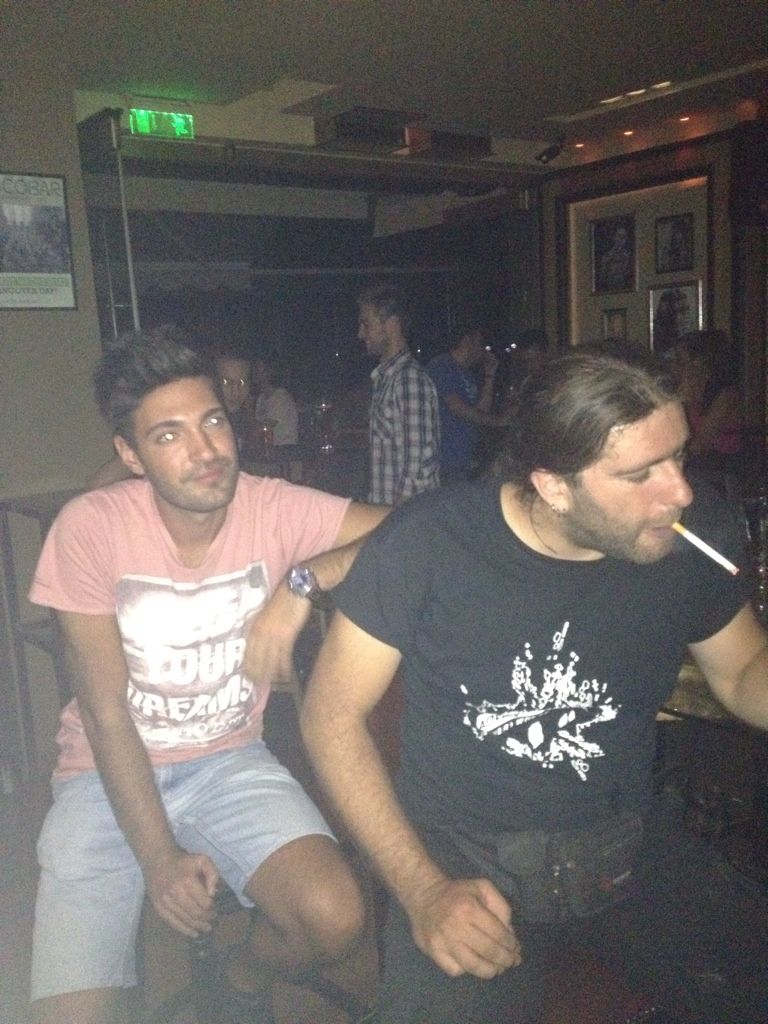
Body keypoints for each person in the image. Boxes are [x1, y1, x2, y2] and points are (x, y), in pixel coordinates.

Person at [301, 343, 768, 1024]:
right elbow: (330, 716)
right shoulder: (430, 543)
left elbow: (743, 670)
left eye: (679, 456)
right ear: (553, 487)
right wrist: (423, 890)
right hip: (465, 861)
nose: (680, 493)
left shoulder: (686, 538)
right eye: (641, 473)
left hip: (628, 845)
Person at [29, 324, 389, 1024]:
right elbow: (104, 712)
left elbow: (416, 530)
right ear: (129, 455)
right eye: (168, 435)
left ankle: (243, 974)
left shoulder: (272, 505)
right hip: (103, 771)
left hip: (229, 760)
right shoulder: (90, 528)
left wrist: (303, 582)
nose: (205, 451)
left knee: (337, 919)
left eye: (212, 422)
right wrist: (158, 857)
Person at [357, 283, 440, 504]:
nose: (360, 333)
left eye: (366, 324)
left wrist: (396, 519)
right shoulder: (387, 378)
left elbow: (416, 464)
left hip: (405, 518)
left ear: (391, 325)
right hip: (390, 513)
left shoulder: (408, 379)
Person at [427, 324, 511, 482]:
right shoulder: (442, 365)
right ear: (467, 341)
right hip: (446, 461)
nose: (484, 350)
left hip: (464, 461)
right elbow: (456, 407)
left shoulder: (467, 375)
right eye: (480, 344)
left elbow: (480, 411)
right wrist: (498, 422)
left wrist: (490, 375)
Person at [672, 329, 745, 495]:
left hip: (721, 467)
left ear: (699, 362)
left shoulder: (725, 394)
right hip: (695, 464)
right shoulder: (684, 390)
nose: (674, 366)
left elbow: (700, 444)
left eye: (680, 360)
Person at [252, 355, 299, 447]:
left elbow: (264, 429)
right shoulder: (261, 398)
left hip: (285, 449)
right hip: (269, 449)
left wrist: (248, 409)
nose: (254, 372)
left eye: (258, 368)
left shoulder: (281, 398)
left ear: (269, 372)